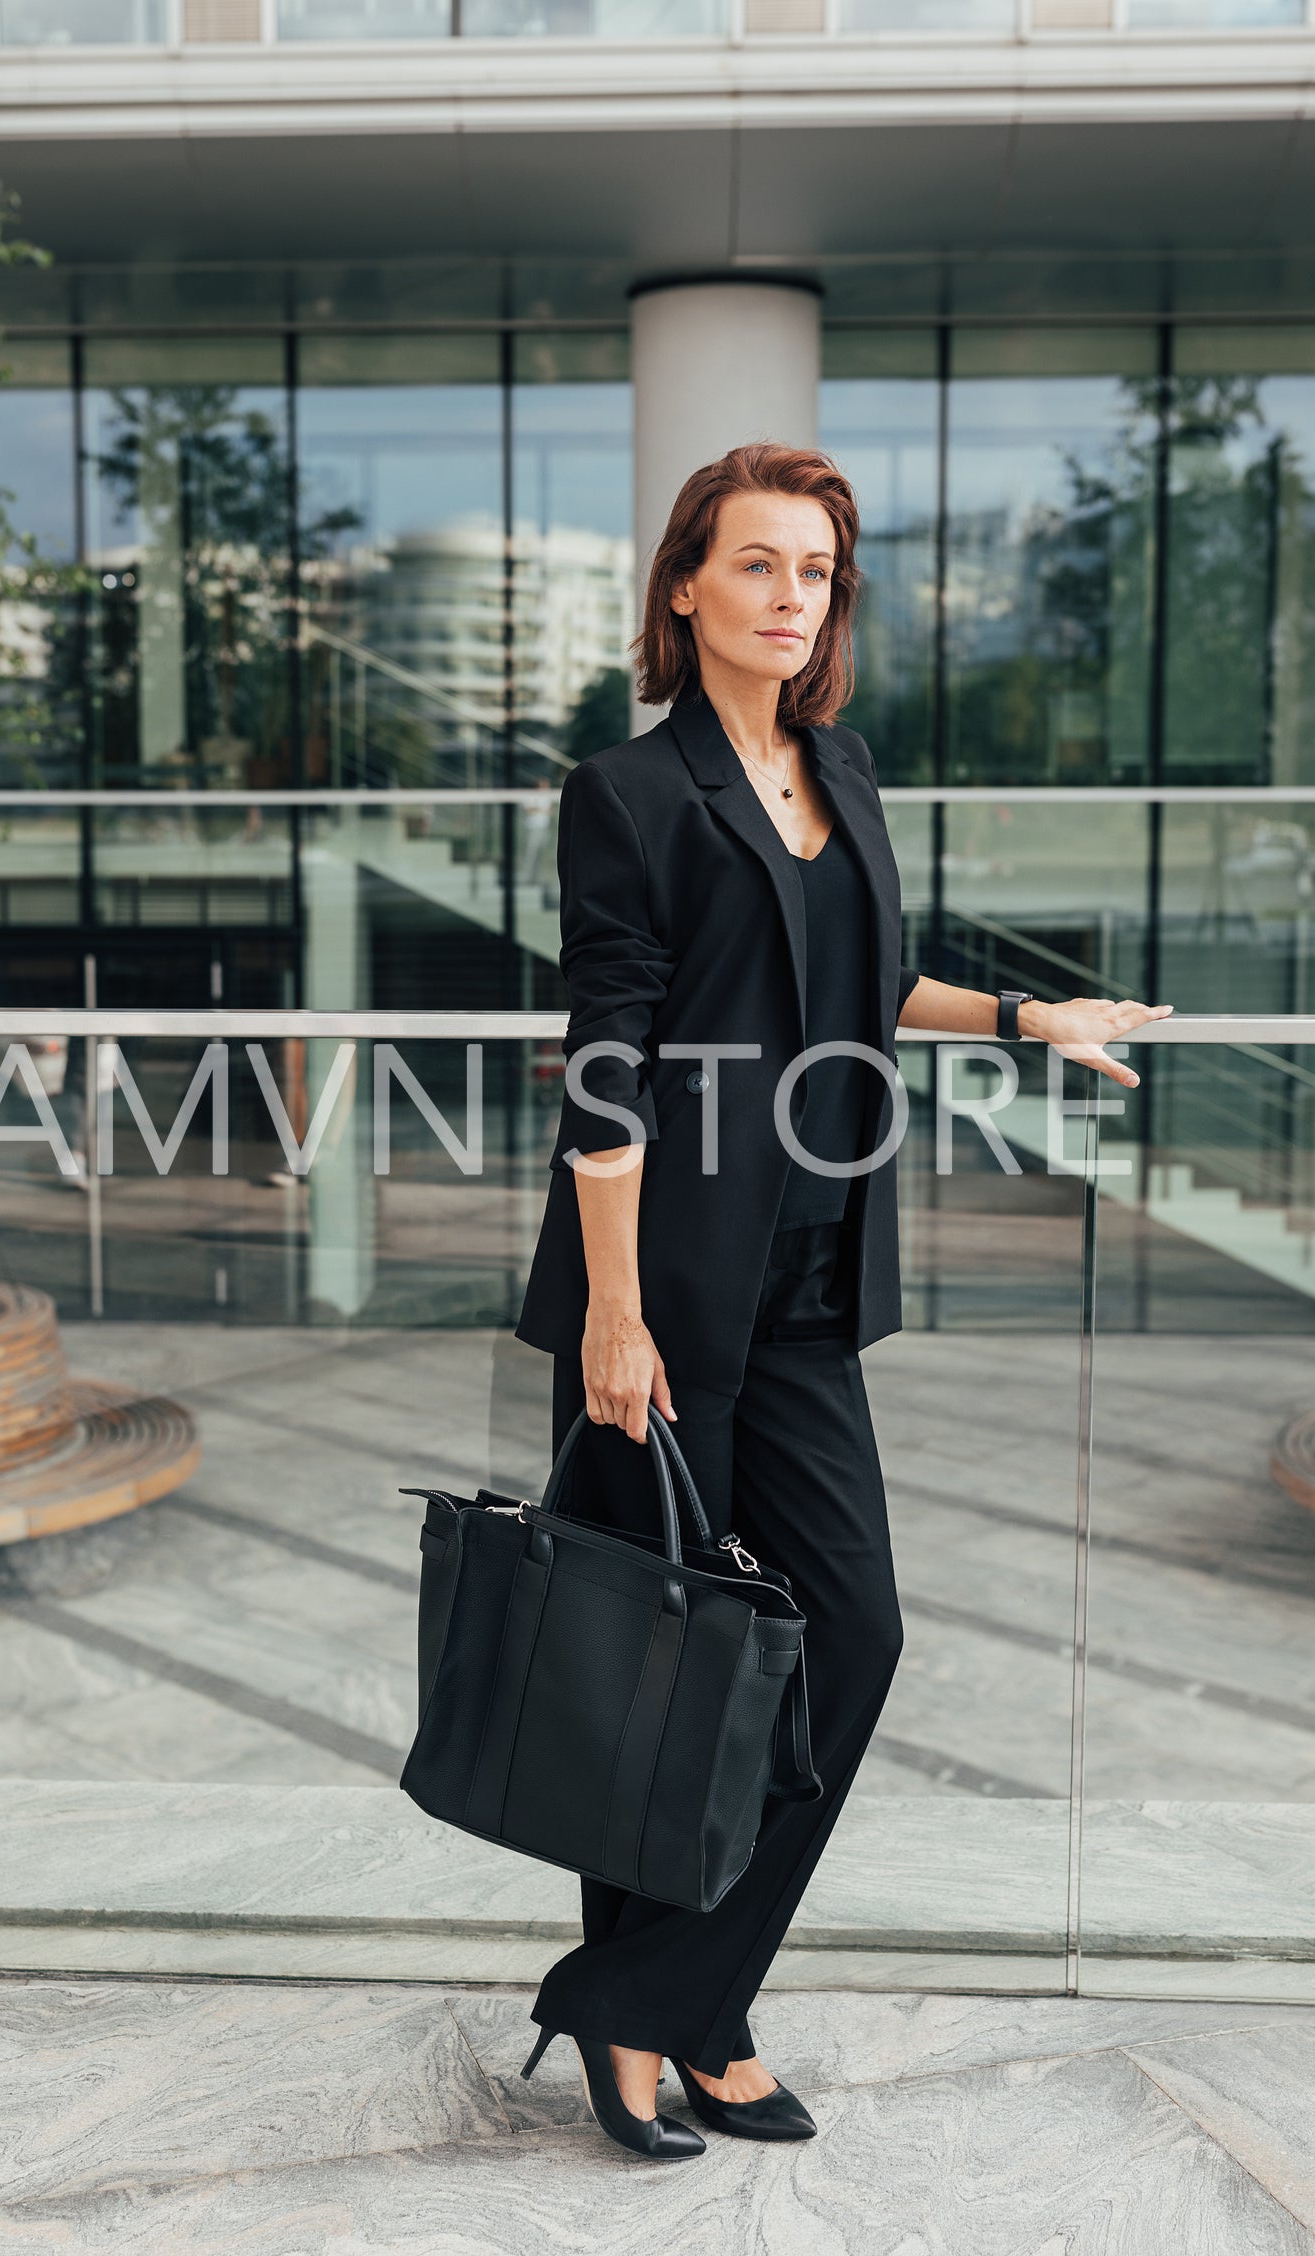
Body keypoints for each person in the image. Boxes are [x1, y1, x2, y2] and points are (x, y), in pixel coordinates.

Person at [511, 442, 1171, 2161]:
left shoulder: (844, 768)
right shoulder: (628, 794)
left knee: (849, 1639)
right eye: (758, 565)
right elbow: (609, 1064)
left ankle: (653, 1998)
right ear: (684, 589)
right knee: (649, 1665)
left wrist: (1032, 1024)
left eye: (814, 571)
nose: (792, 595)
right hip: (654, 1301)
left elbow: (870, 984)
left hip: (806, 1293)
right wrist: (608, 1309)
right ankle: (677, 2026)